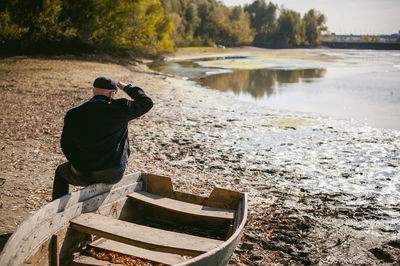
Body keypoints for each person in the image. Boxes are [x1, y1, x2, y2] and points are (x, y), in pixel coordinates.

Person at [52, 76, 153, 200]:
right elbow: (147, 102)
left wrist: (78, 164)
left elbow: (66, 144)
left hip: (83, 172)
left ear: (94, 91)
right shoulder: (121, 108)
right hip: (113, 173)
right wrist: (128, 87)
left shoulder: (74, 113)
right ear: (111, 94)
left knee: (60, 172)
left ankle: (57, 207)